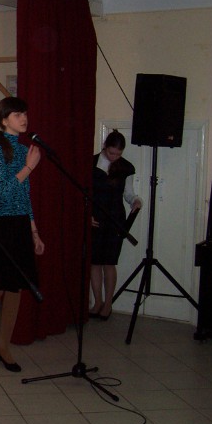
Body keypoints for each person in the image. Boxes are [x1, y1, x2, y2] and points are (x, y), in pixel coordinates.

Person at [0, 97, 45, 373]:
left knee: (15, 288)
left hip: (19, 224)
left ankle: (3, 346)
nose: (23, 118)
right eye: (17, 114)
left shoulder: (25, 149)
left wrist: (34, 232)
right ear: (4, 120)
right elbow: (2, 191)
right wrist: (29, 168)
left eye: (24, 113)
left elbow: (24, 196)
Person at [90, 130, 142, 320]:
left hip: (115, 220)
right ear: (105, 146)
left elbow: (129, 193)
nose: (114, 157)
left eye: (118, 154)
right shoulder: (91, 162)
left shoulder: (126, 167)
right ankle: (97, 302)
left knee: (109, 262)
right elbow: (85, 193)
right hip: (95, 219)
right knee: (94, 262)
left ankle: (108, 304)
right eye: (112, 153)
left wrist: (136, 200)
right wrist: (87, 215)